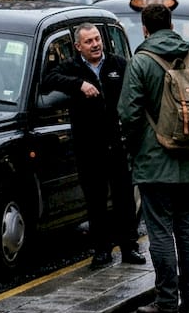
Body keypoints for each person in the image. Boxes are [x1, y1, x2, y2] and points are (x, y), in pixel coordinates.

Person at [119, 4, 189, 313]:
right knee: (187, 231)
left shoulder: (140, 63)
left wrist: (136, 149)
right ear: (172, 24)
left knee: (160, 233)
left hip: (154, 164)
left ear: (144, 29)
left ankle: (165, 303)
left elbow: (128, 114)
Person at [41, 23, 145, 270]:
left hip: (117, 144)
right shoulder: (72, 67)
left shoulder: (118, 64)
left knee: (124, 199)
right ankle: (101, 251)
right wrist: (79, 84)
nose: (96, 44)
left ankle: (130, 246)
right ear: (78, 47)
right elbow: (49, 79)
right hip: (89, 146)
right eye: (89, 41)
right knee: (96, 201)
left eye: (97, 39)